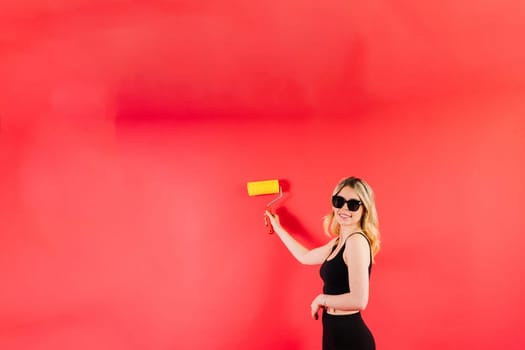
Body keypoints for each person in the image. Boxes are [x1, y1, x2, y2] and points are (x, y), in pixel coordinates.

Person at [265, 176, 380, 350]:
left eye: (353, 204)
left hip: (351, 338)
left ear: (365, 209)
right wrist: (279, 229)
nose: (344, 209)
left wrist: (321, 299)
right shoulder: (338, 242)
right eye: (338, 201)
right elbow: (305, 257)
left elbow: (359, 300)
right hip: (333, 332)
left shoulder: (356, 242)